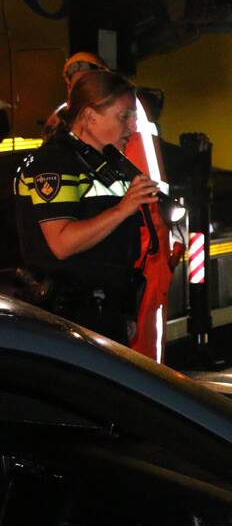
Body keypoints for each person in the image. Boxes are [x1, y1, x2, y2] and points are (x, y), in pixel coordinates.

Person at [14, 69, 159, 344]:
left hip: (106, 311)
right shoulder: (55, 164)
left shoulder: (105, 164)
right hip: (66, 320)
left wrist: (125, 311)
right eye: (124, 116)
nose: (132, 127)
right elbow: (61, 243)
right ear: (90, 116)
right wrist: (123, 209)